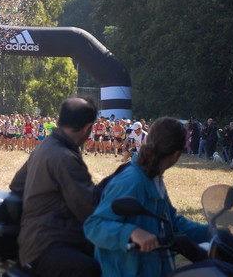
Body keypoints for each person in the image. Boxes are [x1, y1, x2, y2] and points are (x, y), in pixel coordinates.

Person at [84, 117, 209, 277]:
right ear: (176, 155)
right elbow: (93, 226)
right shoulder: (132, 181)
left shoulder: (153, 177)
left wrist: (211, 231)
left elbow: (171, 222)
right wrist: (131, 232)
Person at [9, 97, 100, 277]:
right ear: (87, 128)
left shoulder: (46, 146)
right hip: (51, 243)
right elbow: (88, 209)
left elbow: (17, 185)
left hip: (34, 239)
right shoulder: (65, 157)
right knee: (91, 270)